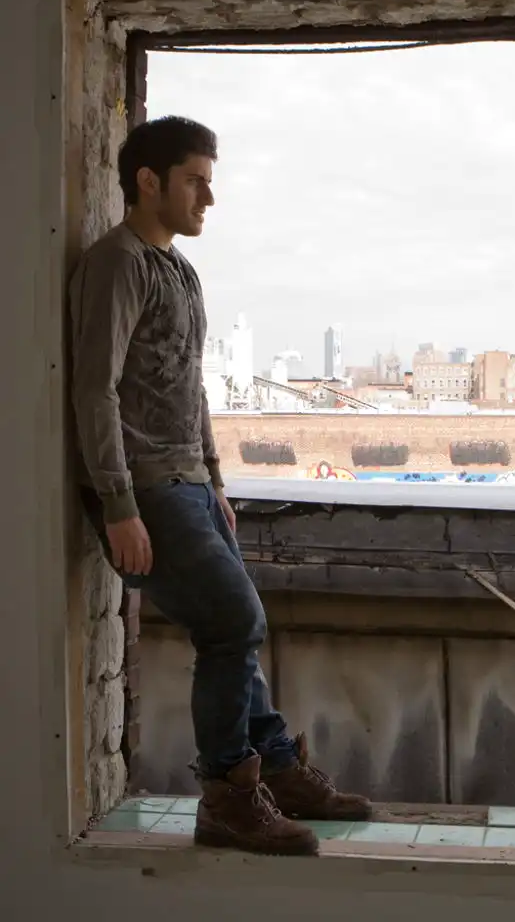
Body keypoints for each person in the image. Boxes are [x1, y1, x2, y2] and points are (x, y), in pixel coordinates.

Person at [68, 115, 372, 856]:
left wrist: (215, 481)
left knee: (232, 630)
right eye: (196, 182)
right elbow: (94, 390)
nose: (209, 197)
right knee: (235, 623)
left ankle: (276, 769)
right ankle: (229, 800)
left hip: (190, 486)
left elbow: (189, 386)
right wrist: (117, 505)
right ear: (149, 182)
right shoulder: (118, 264)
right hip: (146, 488)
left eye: (210, 182)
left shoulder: (179, 270)